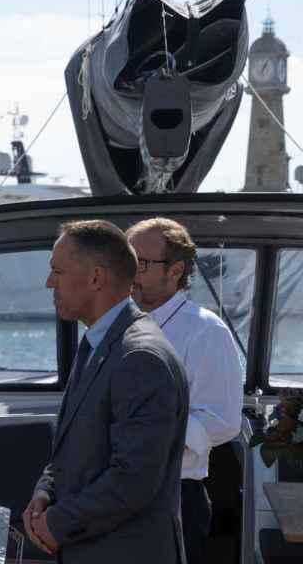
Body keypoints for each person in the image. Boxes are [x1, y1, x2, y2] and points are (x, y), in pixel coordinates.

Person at [24, 219, 188, 564]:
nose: (48, 282)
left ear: (96, 278)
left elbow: (134, 479)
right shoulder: (99, 343)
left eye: (58, 272)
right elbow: (73, 449)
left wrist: (57, 523)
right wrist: (45, 492)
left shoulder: (140, 358)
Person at [126, 217, 244, 564]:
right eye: (125, 260)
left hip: (173, 497)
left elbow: (222, 421)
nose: (130, 271)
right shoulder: (116, 325)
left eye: (140, 263)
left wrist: (149, 436)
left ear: (175, 270)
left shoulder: (205, 331)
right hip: (113, 496)